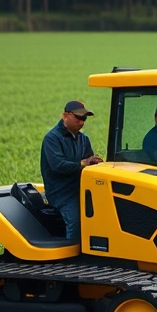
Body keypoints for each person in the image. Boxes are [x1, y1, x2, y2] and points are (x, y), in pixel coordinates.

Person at [41, 100, 103, 240]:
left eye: (84, 118)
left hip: (81, 189)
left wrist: (95, 162)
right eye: (78, 117)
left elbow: (89, 160)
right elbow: (58, 166)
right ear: (65, 116)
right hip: (62, 193)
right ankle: (73, 257)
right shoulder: (52, 139)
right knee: (76, 221)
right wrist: (83, 163)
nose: (81, 122)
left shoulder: (83, 139)